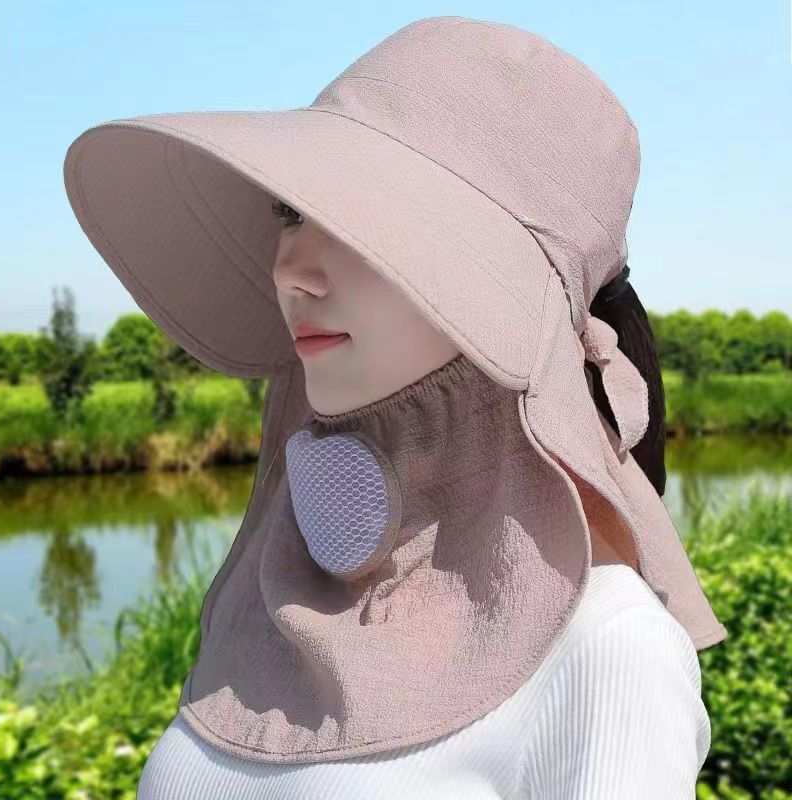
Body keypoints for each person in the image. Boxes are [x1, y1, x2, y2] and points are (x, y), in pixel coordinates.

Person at [63, 15, 727, 798]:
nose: (291, 271)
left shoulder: (605, 647)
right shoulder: (274, 602)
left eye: (361, 221)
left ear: (505, 291)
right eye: (290, 212)